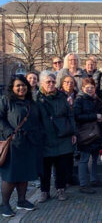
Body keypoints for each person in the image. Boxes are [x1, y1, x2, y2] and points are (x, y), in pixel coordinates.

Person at [0, 75, 44, 216]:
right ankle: (5, 204)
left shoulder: (31, 102)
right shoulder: (6, 100)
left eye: (23, 85)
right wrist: (9, 133)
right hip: (13, 143)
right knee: (11, 176)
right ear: (12, 88)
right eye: (18, 85)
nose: (21, 88)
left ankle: (22, 200)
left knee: (25, 173)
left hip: (29, 143)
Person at [36, 71, 76, 203]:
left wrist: (73, 132)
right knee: (45, 167)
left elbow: (70, 115)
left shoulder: (61, 96)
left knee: (61, 165)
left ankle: (61, 189)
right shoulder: (37, 98)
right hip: (45, 137)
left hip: (62, 136)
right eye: (48, 82)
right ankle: (44, 191)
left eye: (53, 82)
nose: (51, 84)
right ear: (42, 83)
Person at [73, 78, 102, 194]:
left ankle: (94, 179)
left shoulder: (96, 99)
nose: (90, 89)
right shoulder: (79, 100)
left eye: (92, 87)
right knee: (84, 159)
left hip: (95, 132)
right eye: (88, 87)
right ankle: (83, 184)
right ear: (82, 88)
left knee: (95, 158)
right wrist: (94, 116)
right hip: (85, 133)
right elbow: (77, 116)